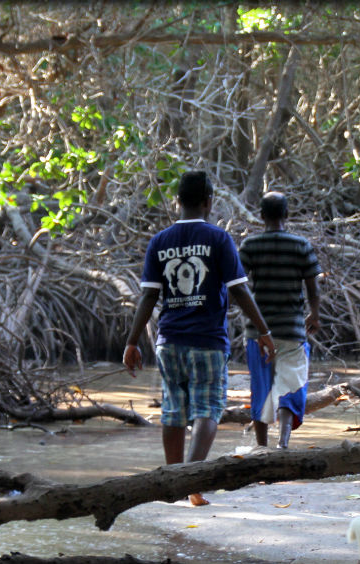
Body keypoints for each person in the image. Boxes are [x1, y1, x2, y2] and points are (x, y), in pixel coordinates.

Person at [123, 170, 276, 506]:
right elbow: (240, 291)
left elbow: (148, 297)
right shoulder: (219, 239)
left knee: (173, 410)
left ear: (178, 201)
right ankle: (192, 482)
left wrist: (132, 341)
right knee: (208, 408)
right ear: (209, 201)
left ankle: (172, 481)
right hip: (207, 339)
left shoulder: (159, 242)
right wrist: (263, 331)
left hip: (169, 339)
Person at [238, 191, 322, 449]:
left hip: (258, 332)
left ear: (261, 216)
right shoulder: (301, 245)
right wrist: (314, 313)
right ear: (287, 215)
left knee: (261, 388)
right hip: (292, 330)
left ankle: (262, 448)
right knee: (291, 387)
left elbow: (238, 286)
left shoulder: (249, 246)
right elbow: (312, 285)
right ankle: (282, 444)